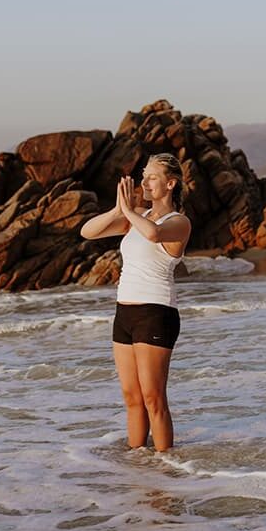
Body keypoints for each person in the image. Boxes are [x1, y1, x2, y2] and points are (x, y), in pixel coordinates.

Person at [80, 153, 191, 452]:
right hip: (124, 313)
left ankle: (167, 468)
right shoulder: (135, 218)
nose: (144, 181)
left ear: (170, 183)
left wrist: (129, 212)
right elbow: (87, 231)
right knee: (132, 398)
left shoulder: (178, 222)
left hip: (156, 312)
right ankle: (136, 466)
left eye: (152, 176)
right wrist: (119, 209)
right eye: (143, 175)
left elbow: (154, 234)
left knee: (154, 397)